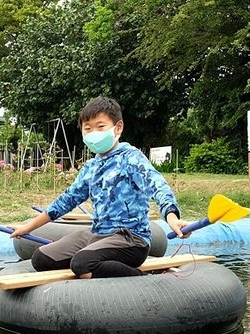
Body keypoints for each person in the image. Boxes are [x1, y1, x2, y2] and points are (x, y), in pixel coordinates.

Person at [11, 96, 187, 278]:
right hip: (97, 235)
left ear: (118, 127)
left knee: (82, 263)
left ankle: (141, 278)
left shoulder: (131, 158)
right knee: (41, 258)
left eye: (100, 126)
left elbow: (157, 185)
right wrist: (28, 228)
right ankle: (95, 264)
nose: (94, 133)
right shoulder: (91, 167)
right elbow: (66, 201)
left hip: (130, 239)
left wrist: (172, 217)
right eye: (88, 129)